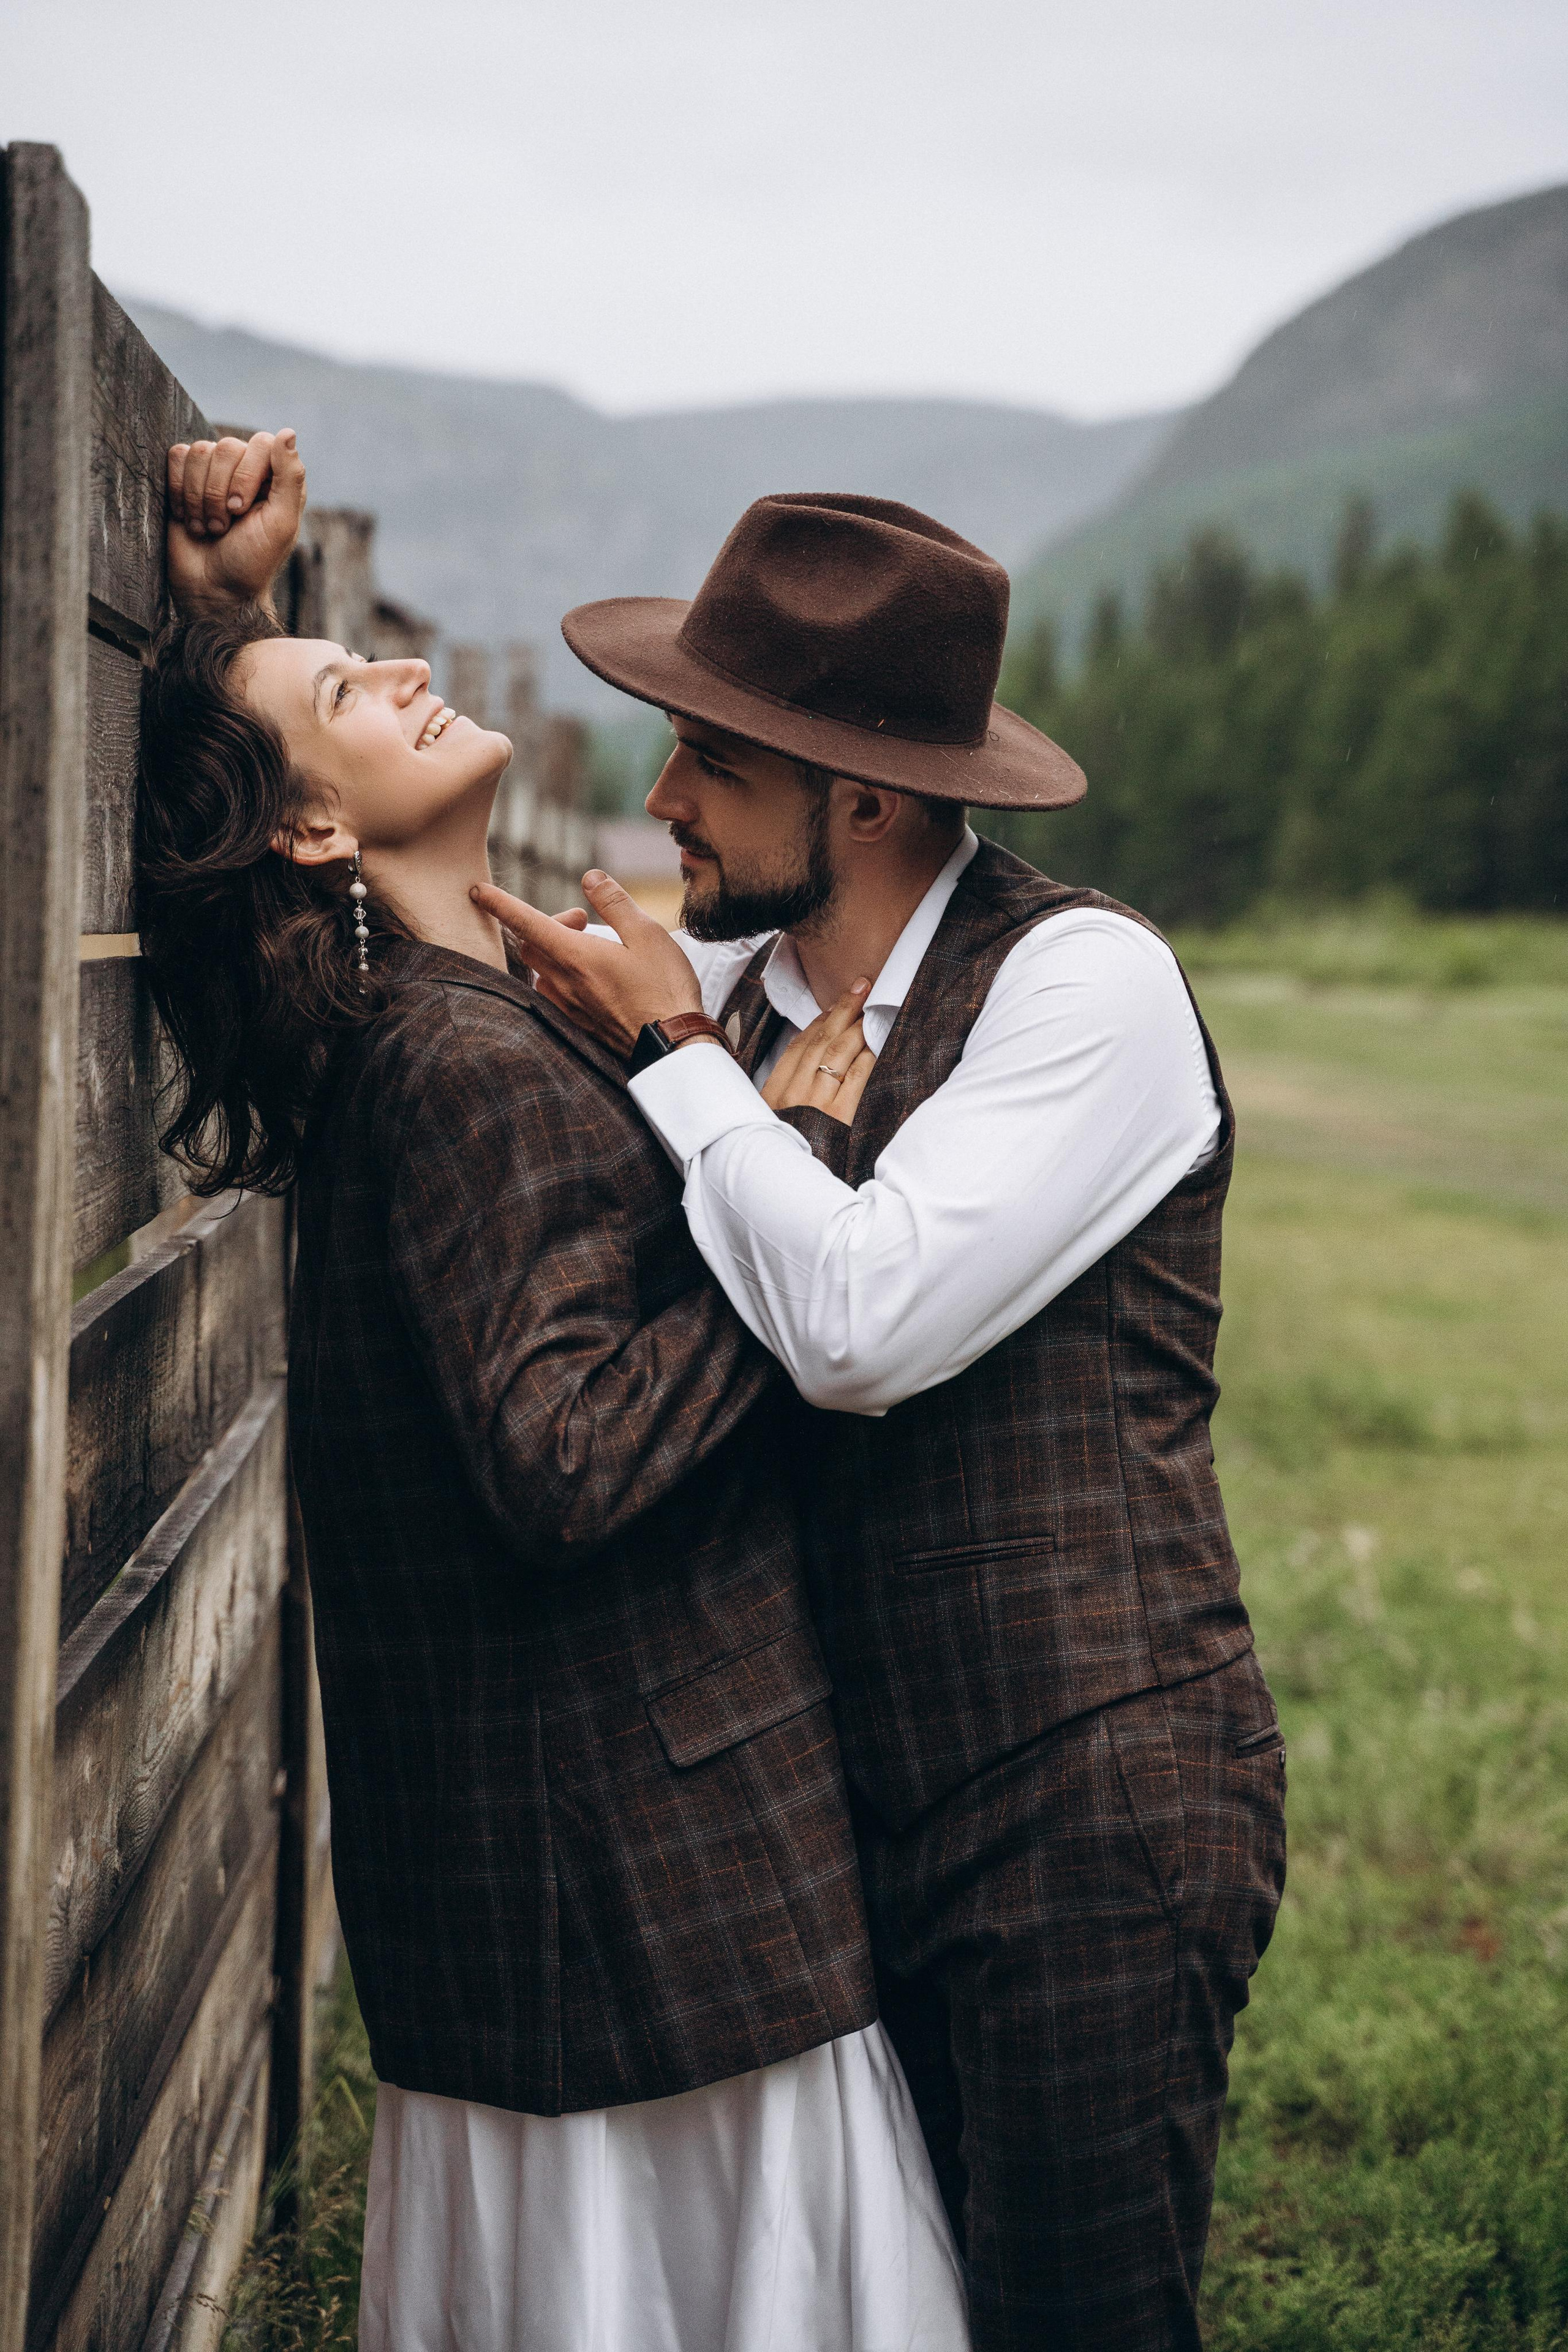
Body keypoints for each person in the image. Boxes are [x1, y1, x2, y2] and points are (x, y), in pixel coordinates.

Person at [141, 437, 971, 2352]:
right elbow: (566, 1452)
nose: (400, 673)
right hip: (642, 1887)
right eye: (353, 693)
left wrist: (235, 627)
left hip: (601, 1864)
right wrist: (794, 1197)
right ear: (317, 836)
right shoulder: (453, 1065)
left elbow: (253, 833)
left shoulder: (448, 1017)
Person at [478, 491, 1289, 2352]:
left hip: (1088, 1793)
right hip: (832, 1821)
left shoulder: (1086, 986)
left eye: (710, 757)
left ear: (862, 794)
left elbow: (856, 1326)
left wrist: (684, 1074)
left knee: (1075, 2317)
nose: (663, 795)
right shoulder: (748, 1009)